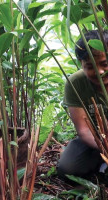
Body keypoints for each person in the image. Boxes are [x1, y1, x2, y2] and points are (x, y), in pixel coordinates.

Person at [57, 30, 108, 178]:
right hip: (94, 140)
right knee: (68, 168)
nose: (99, 71)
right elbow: (84, 130)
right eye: (90, 66)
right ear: (81, 64)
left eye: (105, 64)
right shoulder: (75, 83)